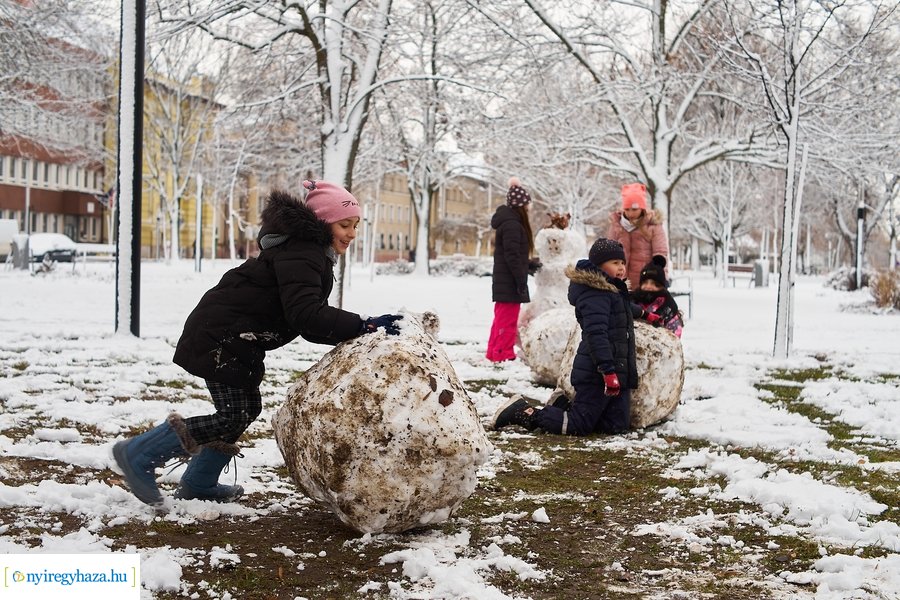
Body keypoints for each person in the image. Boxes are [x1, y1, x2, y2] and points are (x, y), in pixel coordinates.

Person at [113, 181, 403, 507]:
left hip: (238, 339)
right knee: (232, 415)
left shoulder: (306, 254)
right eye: (344, 224)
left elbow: (305, 323)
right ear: (321, 224)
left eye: (354, 226)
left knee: (244, 410)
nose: (351, 233)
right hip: (221, 336)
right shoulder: (303, 254)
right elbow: (307, 315)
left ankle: (199, 481)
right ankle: (139, 454)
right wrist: (361, 324)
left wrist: (357, 330)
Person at [492, 238, 638, 435]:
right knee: (578, 426)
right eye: (615, 263)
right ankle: (522, 411)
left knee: (615, 427)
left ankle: (562, 405)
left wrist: (646, 314)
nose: (621, 268)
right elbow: (597, 335)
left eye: (622, 263)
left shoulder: (613, 292)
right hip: (598, 374)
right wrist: (607, 371)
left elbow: (624, 309)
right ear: (599, 266)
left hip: (618, 372)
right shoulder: (595, 295)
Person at [486, 177, 538, 362]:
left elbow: (513, 254)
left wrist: (528, 264)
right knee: (506, 320)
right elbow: (512, 256)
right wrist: (520, 281)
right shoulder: (513, 225)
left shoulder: (509, 222)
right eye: (527, 206)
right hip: (509, 282)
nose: (529, 210)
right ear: (521, 206)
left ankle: (494, 352)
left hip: (505, 280)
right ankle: (503, 353)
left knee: (500, 318)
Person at [607, 183, 669, 290]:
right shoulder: (617, 226)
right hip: (620, 282)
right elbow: (608, 252)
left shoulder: (653, 225)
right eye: (627, 209)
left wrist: (661, 278)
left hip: (645, 283)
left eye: (634, 209)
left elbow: (660, 253)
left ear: (642, 208)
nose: (630, 213)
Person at [631, 255, 684, 338]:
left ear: (661, 286)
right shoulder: (633, 300)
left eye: (654, 284)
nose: (648, 286)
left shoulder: (667, 304)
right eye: (645, 282)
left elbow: (674, 332)